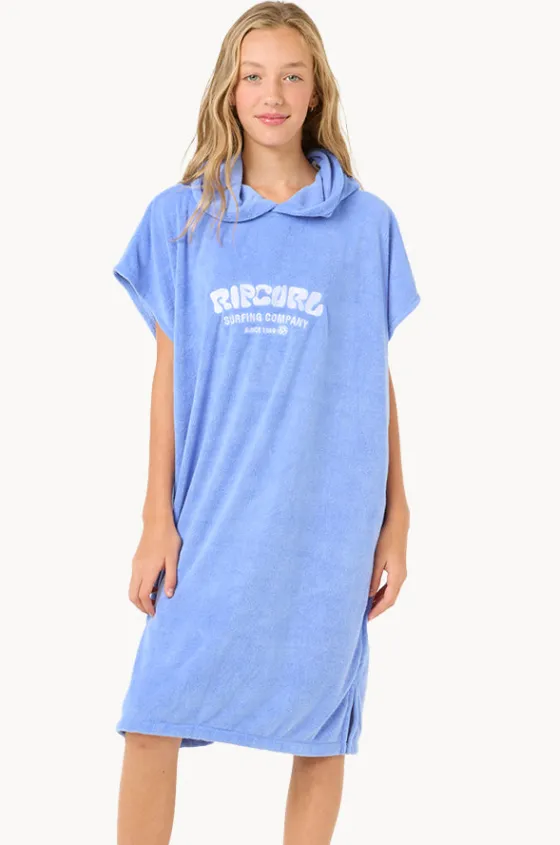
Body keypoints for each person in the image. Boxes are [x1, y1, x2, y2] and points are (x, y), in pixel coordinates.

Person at [112, 2, 421, 843]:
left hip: (326, 523)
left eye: (291, 75)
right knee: (154, 712)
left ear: (317, 91)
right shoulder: (180, 219)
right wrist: (155, 518)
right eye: (254, 76)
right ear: (229, 89)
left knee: (319, 724)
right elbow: (167, 377)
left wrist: (397, 516)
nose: (272, 95)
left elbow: (374, 376)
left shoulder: (366, 225)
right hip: (213, 513)